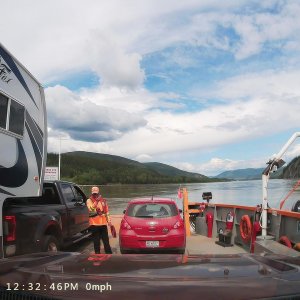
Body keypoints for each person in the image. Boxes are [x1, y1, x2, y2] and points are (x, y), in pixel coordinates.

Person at [86, 186, 112, 254]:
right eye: (94, 193)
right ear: (92, 193)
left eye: (96, 193)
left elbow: (107, 212)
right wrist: (96, 202)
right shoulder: (89, 200)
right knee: (96, 242)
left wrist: (109, 221)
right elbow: (91, 209)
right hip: (94, 225)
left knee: (106, 242)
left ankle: (109, 256)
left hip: (103, 224)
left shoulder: (103, 201)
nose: (95, 195)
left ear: (98, 193)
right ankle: (97, 256)